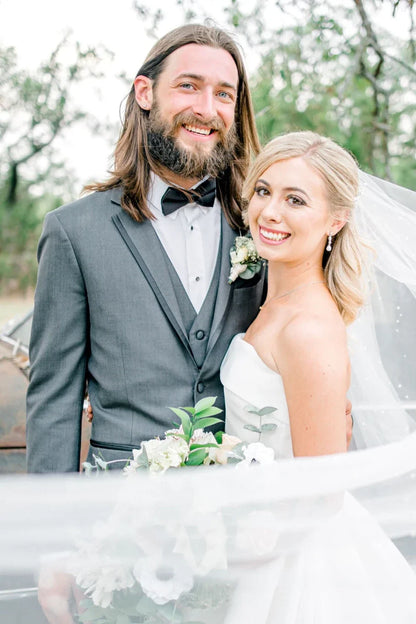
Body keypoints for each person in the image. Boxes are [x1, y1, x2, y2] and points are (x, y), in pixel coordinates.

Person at [25, 23, 267, 473]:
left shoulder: (262, 228)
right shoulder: (73, 232)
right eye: (188, 87)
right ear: (145, 92)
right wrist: (53, 534)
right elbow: (54, 398)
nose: (206, 109)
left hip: (240, 509)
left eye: (224, 94)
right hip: (117, 513)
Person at [220, 131, 416, 621]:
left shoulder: (307, 328)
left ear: (336, 219)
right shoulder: (275, 303)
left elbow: (321, 493)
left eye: (295, 200)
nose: (269, 212)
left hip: (290, 558)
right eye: (263, 191)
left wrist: (243, 553)